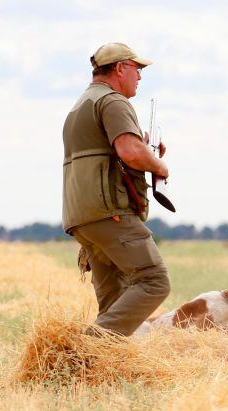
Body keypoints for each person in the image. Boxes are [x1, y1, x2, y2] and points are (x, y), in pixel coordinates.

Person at [62, 42, 170, 336]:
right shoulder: (113, 102)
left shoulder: (81, 105)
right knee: (154, 281)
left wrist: (141, 147)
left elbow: (114, 152)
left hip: (84, 217)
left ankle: (97, 369)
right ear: (120, 68)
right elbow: (130, 152)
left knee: (115, 302)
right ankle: (82, 349)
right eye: (137, 69)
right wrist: (158, 165)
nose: (140, 76)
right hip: (110, 212)